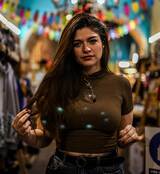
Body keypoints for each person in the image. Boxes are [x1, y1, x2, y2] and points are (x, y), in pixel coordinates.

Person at [12, 13, 143, 174]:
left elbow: (123, 140)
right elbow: (44, 137)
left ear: (103, 42)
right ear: (70, 49)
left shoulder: (121, 84)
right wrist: (27, 135)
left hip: (109, 168)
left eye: (92, 41)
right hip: (63, 168)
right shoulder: (55, 84)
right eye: (77, 43)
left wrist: (130, 135)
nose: (86, 48)